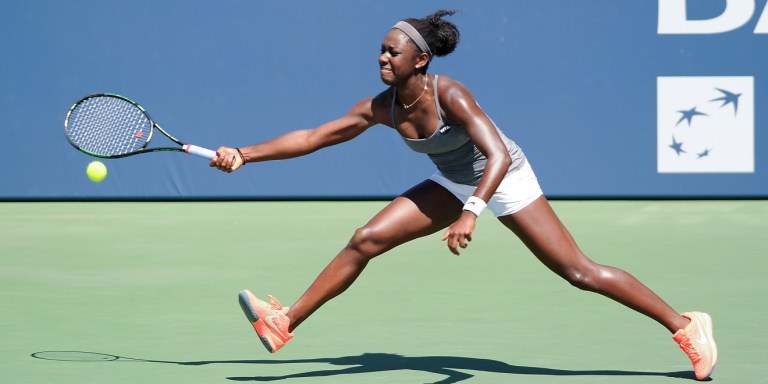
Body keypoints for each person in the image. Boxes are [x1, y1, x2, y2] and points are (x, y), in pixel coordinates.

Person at [210, 10, 716, 381]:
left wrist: (472, 211)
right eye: (381, 50)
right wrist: (244, 153)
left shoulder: (449, 93)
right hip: (453, 180)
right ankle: (285, 321)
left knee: (578, 271)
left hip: (504, 175)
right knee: (365, 239)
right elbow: (315, 136)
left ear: (420, 60)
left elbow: (495, 155)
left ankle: (685, 325)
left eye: (394, 51)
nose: (383, 57)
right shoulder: (381, 106)